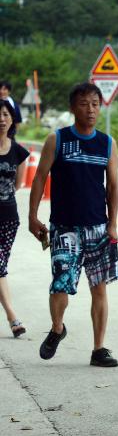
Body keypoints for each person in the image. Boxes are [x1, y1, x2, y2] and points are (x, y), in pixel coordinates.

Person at [28, 83, 118, 367]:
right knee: (60, 284)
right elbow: (40, 177)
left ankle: (99, 349)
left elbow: (113, 186)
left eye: (95, 104)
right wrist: (33, 216)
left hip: (98, 228)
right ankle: (57, 328)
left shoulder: (107, 143)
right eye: (83, 104)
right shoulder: (57, 139)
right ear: (73, 107)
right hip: (64, 227)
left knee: (99, 288)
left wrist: (113, 224)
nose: (90, 109)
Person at [0, 99, 29, 337]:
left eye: (5, 115)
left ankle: (11, 316)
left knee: (1, 266)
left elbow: (18, 185)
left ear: (11, 119)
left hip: (9, 217)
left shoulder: (18, 151)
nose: (1, 119)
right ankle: (12, 316)